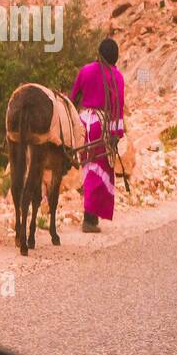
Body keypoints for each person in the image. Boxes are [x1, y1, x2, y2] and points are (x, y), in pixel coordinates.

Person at [69, 37, 125, 232]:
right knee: (99, 170)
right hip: (101, 126)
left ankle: (91, 217)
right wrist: (116, 133)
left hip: (83, 123)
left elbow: (72, 97)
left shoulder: (85, 70)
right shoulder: (116, 77)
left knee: (88, 168)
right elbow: (118, 108)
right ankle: (89, 219)